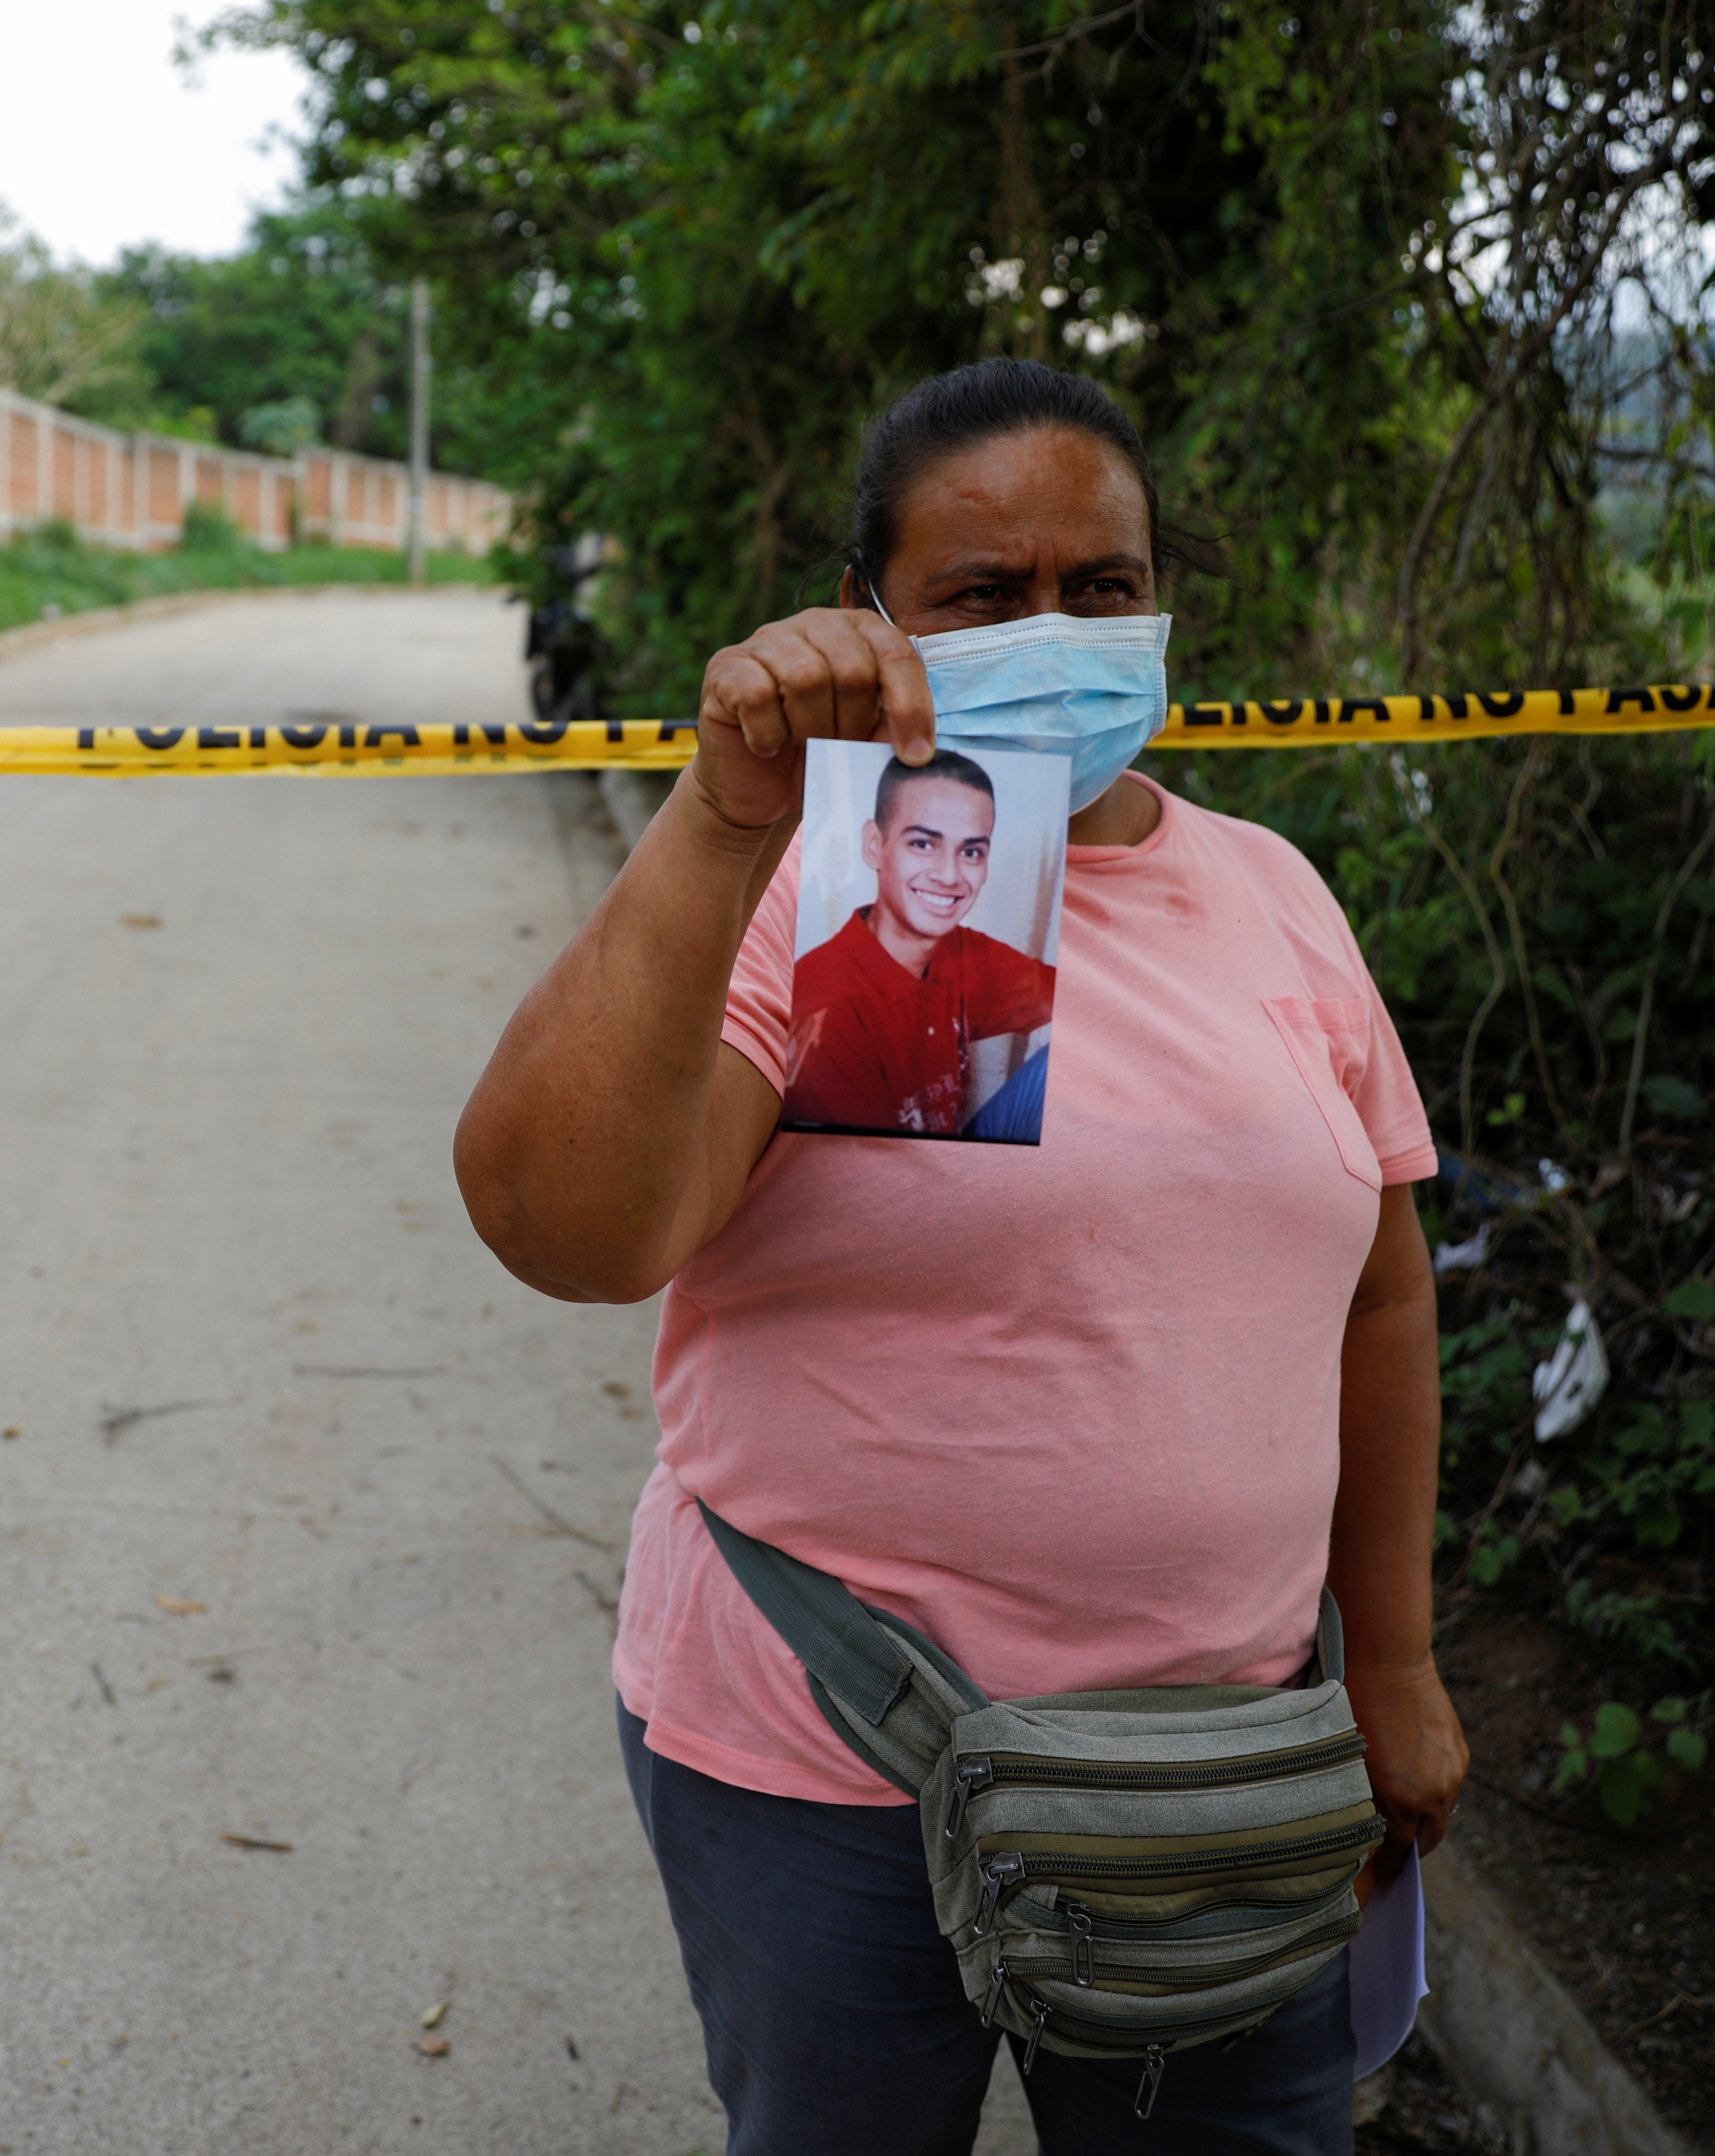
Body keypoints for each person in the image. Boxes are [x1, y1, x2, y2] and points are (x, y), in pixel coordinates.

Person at [454, 357, 1468, 2156]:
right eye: (984, 598)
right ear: (870, 621)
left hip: (1223, 1773)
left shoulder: (1277, 895)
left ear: (1164, 602)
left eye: (1104, 586)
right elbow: (571, 1230)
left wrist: (1391, 1661)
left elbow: (1378, 1289)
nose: (1060, 630)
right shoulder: (818, 895)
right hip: (823, 1758)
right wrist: (721, 820)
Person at [787, 749, 1055, 1135]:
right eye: (923, 844)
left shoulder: (958, 952)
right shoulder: (826, 1014)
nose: (949, 876)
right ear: (874, 845)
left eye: (971, 852)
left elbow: (1068, 998)